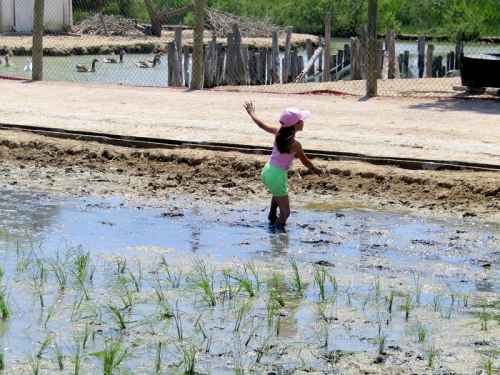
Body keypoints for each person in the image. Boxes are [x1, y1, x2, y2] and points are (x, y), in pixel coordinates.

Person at [244, 101, 322, 227]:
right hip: (276, 175)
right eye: (301, 120)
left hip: (268, 171)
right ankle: (277, 237)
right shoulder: (296, 145)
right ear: (296, 125)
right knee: (286, 213)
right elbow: (306, 162)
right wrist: (316, 170)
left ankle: (272, 214)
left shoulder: (278, 132)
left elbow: (261, 125)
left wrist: (251, 113)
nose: (303, 122)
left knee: (278, 191)